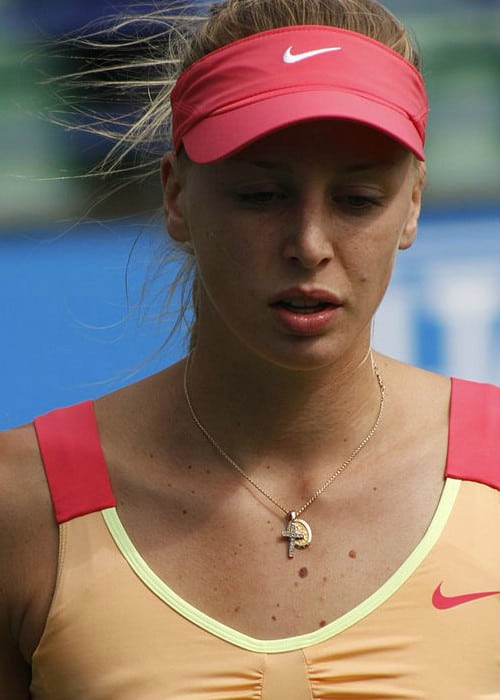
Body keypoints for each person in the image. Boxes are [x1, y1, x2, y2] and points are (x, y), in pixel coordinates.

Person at [1, 0, 499, 697]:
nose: (310, 245)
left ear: (413, 204)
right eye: (261, 195)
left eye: (358, 200)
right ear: (176, 194)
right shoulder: (21, 501)